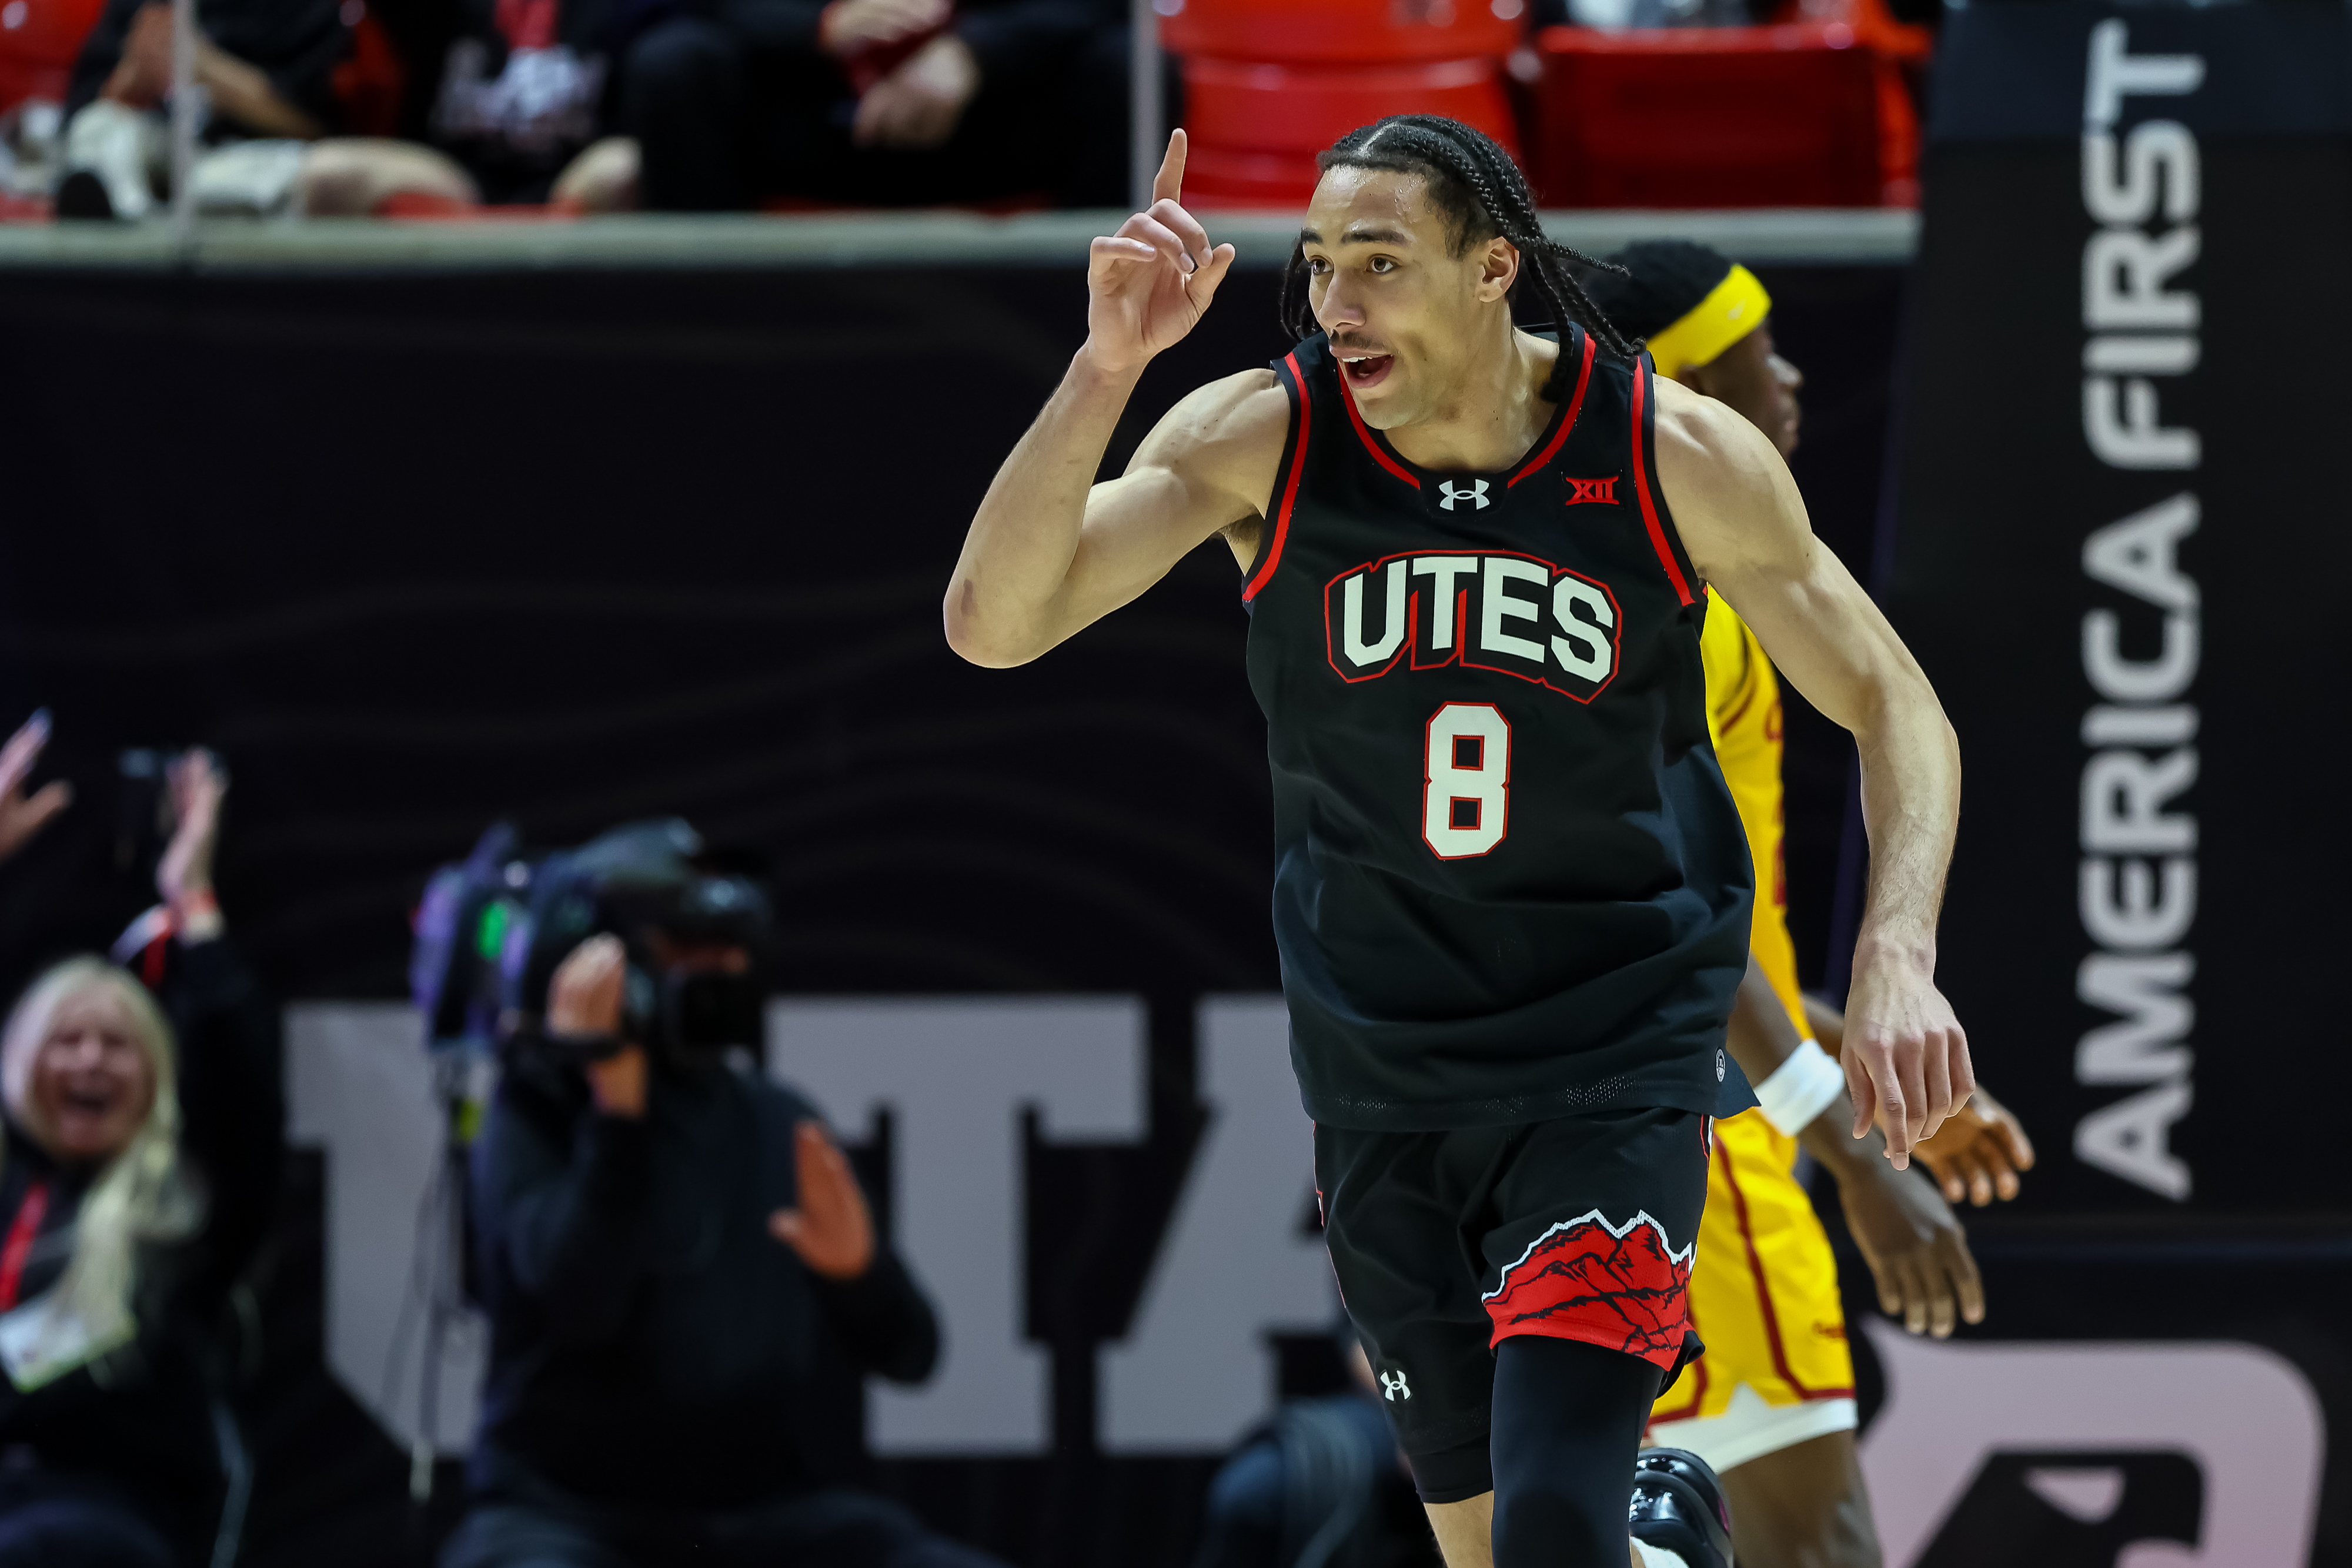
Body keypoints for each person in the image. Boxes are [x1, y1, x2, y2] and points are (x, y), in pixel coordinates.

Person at [945, 117, 1973, 1568]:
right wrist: (1106, 369)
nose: (1335, 303)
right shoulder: (1266, 434)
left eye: (1379, 262)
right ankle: (1666, 1545)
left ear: (1494, 268)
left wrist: (1898, 953)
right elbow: (993, 626)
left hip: (1607, 1061)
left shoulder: (1663, 451)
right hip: (1381, 1082)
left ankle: (1637, 1533)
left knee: (1554, 1528)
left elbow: (1893, 699)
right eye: (1317, 266)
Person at [1570, 240, 2037, 1568]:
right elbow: (1682, 932)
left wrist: (1864, 1064)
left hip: (1622, 1132)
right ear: (1672, 392)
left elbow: (1728, 940)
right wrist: (1847, 1152)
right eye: (1748, 349)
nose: (1787, 373)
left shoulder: (1649, 582)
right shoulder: (1684, 616)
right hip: (1701, 1163)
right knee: (1816, 1547)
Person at [442, 869, 1002, 1568]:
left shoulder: (779, 1122)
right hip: (565, 1515)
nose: (714, 972)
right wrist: (618, 1113)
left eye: (725, 952)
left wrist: (859, 1274)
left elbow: (913, 1352)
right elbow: (582, 1302)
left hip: (770, 1518)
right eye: (682, 950)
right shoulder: (536, 1115)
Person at [0, 715, 286, 1568]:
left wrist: (189, 895)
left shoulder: (185, 1210)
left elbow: (246, 1092)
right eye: (66, 1039)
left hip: (111, 1530)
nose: (90, 1058)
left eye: (116, 1042)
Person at [55, 0, 347, 217]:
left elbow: (316, 125)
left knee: (290, 176)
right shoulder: (143, 6)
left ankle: (137, 223)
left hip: (241, 158)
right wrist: (131, 75)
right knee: (99, 127)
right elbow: (81, 112)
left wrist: (205, 67)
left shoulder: (302, 9)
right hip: (149, 151)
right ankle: (129, 217)